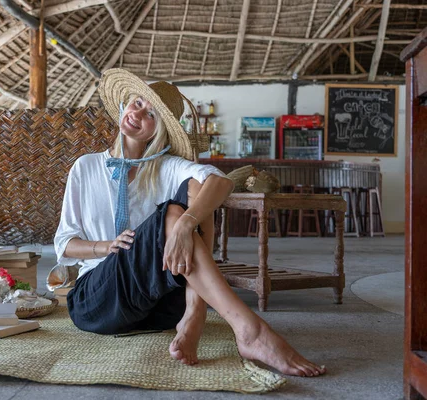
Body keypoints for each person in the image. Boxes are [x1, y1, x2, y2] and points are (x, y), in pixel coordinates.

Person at [54, 68, 326, 377]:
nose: (139, 113)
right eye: (138, 103)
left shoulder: (164, 167)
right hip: (97, 302)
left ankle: (195, 310)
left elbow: (220, 182)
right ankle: (248, 329)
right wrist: (108, 246)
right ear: (124, 105)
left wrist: (185, 224)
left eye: (152, 114)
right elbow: (65, 243)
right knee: (172, 212)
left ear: (159, 132)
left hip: (156, 309)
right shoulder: (86, 167)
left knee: (196, 189)